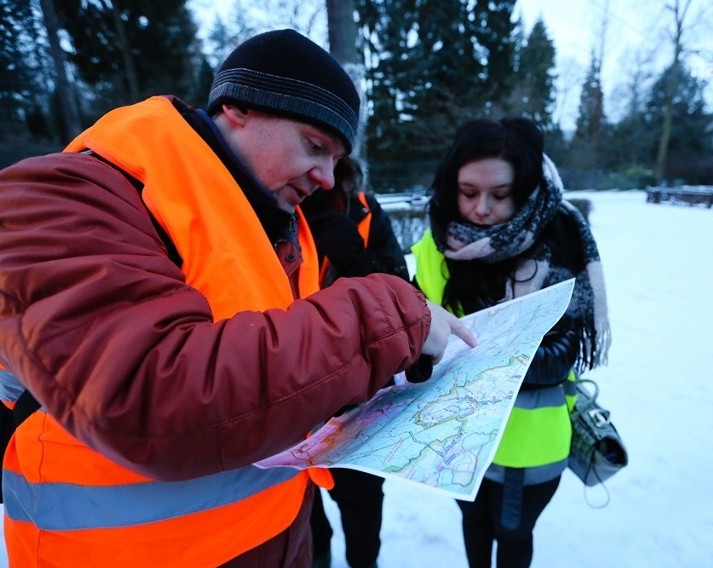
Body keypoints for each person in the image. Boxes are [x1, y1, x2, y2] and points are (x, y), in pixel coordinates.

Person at [0, 29, 474, 568]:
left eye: (337, 160)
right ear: (239, 107)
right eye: (315, 146)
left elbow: (269, 369)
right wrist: (386, 315)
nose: (325, 178)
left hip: (277, 534)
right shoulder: (64, 194)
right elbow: (149, 399)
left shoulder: (277, 223)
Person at [409, 117, 611, 568]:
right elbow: (416, 330)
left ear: (523, 189)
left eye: (500, 196)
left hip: (531, 442)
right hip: (457, 438)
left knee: (514, 537)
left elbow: (561, 356)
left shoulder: (558, 243)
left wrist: (469, 350)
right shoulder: (434, 245)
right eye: (467, 192)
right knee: (474, 530)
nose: (481, 209)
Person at [300, 156, 407, 568]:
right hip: (290, 406)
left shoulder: (362, 210)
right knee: (306, 519)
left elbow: (405, 297)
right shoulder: (261, 212)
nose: (318, 175)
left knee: (362, 514)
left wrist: (356, 262)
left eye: (328, 153)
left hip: (360, 404)